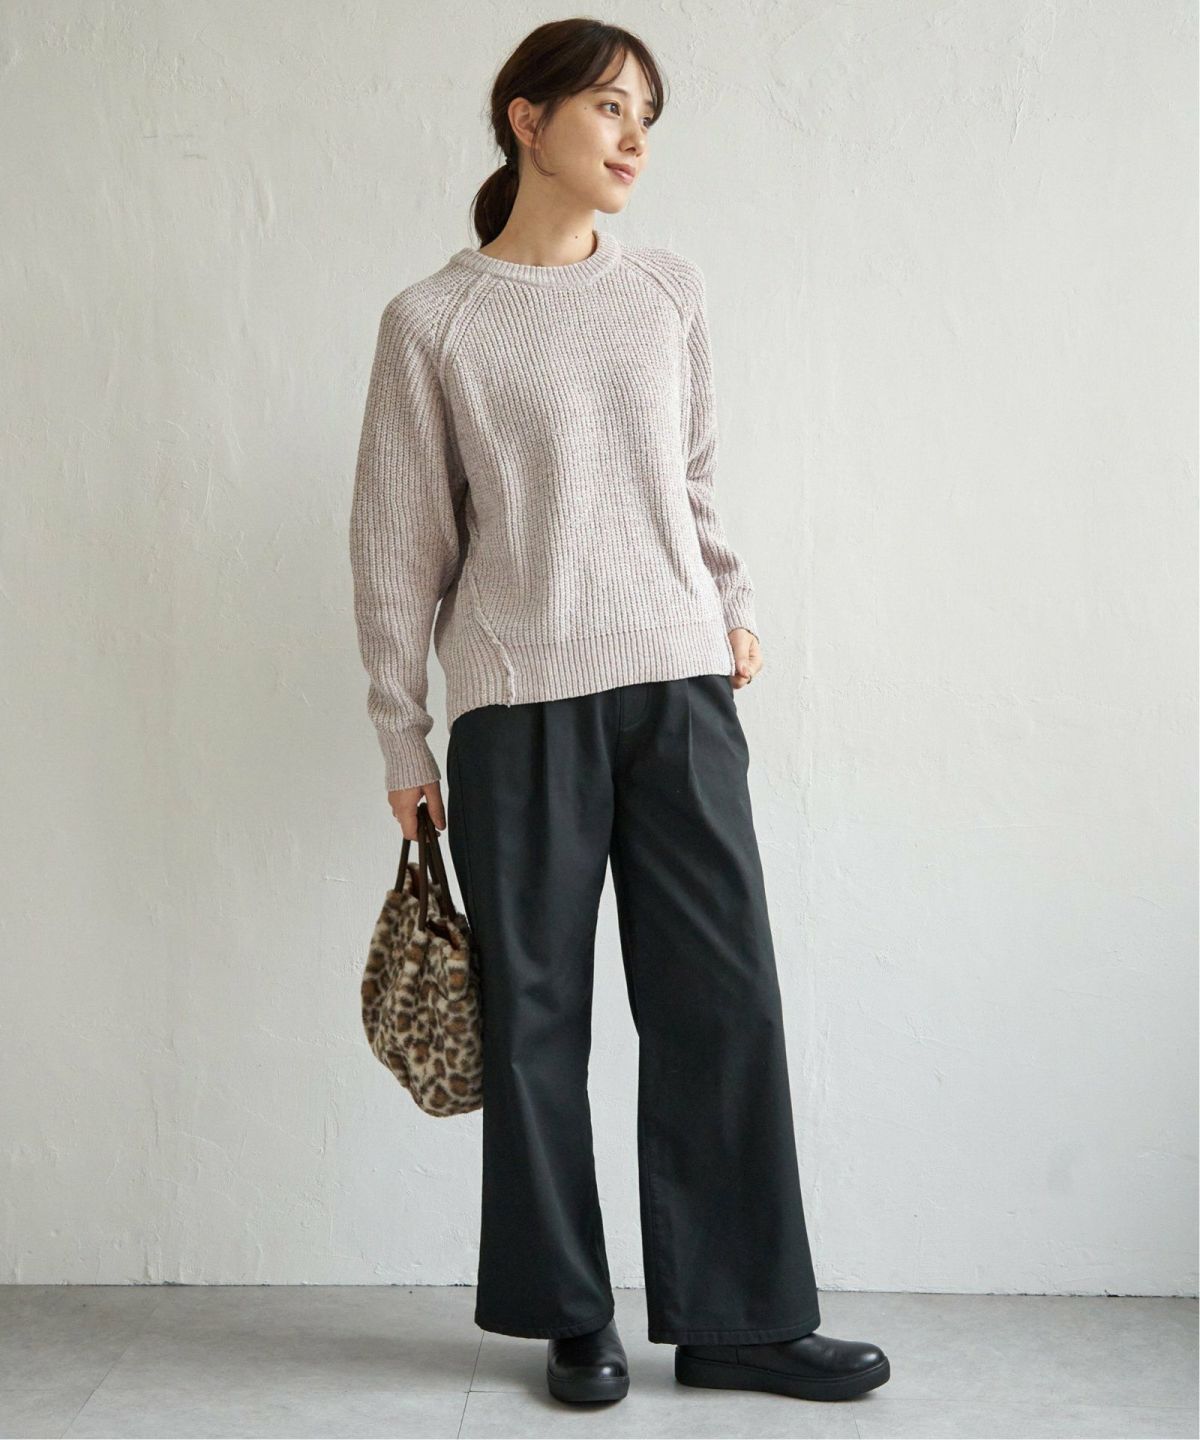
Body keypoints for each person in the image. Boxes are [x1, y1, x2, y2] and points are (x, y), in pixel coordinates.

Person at [349, 16, 890, 1407]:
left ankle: (741, 1321)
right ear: (525, 120)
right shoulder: (432, 322)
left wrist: (732, 601)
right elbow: (398, 548)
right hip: (518, 707)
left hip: (680, 687)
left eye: (648, 111)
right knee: (535, 1019)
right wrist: (403, 734)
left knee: (724, 999)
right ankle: (568, 1313)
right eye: (607, 106)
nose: (635, 135)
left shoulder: (666, 292)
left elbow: (691, 482)